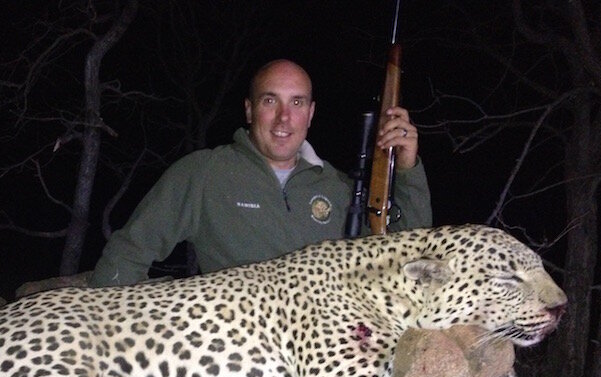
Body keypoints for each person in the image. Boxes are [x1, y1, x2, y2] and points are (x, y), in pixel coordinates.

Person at [90, 59, 432, 287]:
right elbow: (129, 252)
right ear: (250, 110)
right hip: (241, 346)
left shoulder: (339, 186)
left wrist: (406, 169)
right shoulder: (205, 173)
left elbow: (407, 257)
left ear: (311, 114)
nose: (284, 118)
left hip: (324, 350)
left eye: (297, 103)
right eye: (271, 101)